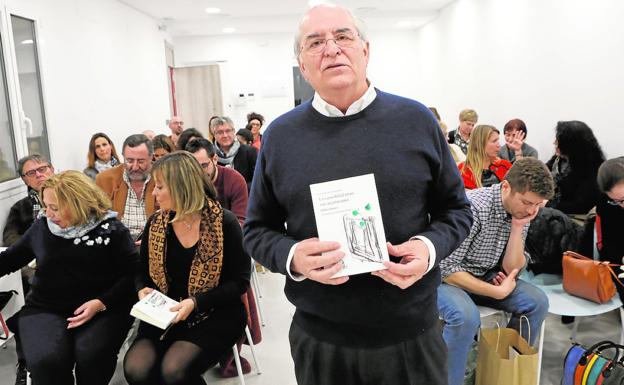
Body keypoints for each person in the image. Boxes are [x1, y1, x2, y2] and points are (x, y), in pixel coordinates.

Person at [243, 4, 473, 385]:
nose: (331, 49)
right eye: (315, 42)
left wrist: (428, 248)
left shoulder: (416, 120)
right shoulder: (280, 136)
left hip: (410, 334)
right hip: (321, 339)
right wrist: (292, 257)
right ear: (302, 64)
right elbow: (256, 230)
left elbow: (457, 211)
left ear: (366, 50)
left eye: (343, 36)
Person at [123, 152, 250, 385]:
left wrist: (195, 302)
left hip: (213, 312)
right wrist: (143, 290)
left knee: (175, 370)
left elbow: (240, 282)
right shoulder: (157, 223)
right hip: (167, 312)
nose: (154, 193)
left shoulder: (223, 223)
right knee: (136, 369)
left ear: (182, 187)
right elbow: (141, 272)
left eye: (160, 187)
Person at [0, 171, 136, 385]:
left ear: (79, 203)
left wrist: (101, 303)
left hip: (103, 308)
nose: (48, 213)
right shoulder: (43, 227)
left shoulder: (111, 230)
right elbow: (9, 259)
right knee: (46, 361)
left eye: (55, 207)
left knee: (91, 355)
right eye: (46, 206)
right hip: (47, 307)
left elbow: (132, 275)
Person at [438, 158, 553, 385]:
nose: (532, 210)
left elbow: (512, 268)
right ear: (506, 187)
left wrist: (518, 227)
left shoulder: (523, 211)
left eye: (538, 205)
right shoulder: (473, 207)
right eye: (527, 202)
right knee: (465, 317)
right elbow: (447, 268)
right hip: (446, 279)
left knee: (537, 302)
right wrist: (495, 292)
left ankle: (502, 375)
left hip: (485, 274)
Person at [2, 154, 55, 385]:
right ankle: (26, 363)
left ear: (52, 169)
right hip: (33, 266)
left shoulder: (72, 197)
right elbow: (11, 237)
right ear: (24, 179)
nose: (39, 175)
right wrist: (32, 252)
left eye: (42, 169)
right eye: (31, 173)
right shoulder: (21, 207)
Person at [96, 134, 157, 241]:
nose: (135, 167)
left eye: (141, 161)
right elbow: (96, 220)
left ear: (152, 157)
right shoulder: (105, 179)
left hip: (153, 242)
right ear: (123, 156)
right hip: (118, 244)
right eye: (129, 161)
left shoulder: (163, 177)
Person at [546, 120, 605, 219]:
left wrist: (548, 205)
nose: (554, 143)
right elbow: (542, 172)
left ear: (571, 145)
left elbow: (581, 206)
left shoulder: (592, 169)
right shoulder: (560, 159)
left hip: (573, 218)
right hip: (554, 210)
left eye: (558, 140)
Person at [186, 138, 248, 225]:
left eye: (203, 166)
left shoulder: (235, 180)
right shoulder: (185, 182)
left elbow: (240, 221)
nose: (198, 172)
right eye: (193, 167)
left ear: (215, 159)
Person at [596, 157, 624, 300]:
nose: (622, 205)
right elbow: (606, 244)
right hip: (618, 260)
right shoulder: (606, 204)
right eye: (617, 201)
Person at [458, 124, 512, 189]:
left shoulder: (504, 166)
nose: (499, 145)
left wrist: (518, 151)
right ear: (480, 144)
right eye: (494, 141)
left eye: (498, 140)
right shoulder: (464, 170)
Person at [212, 116, 257, 191]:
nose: (225, 135)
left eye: (228, 131)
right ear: (214, 135)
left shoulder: (249, 152)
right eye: (220, 132)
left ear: (234, 132)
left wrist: (239, 189)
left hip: (245, 196)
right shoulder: (210, 154)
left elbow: (257, 180)